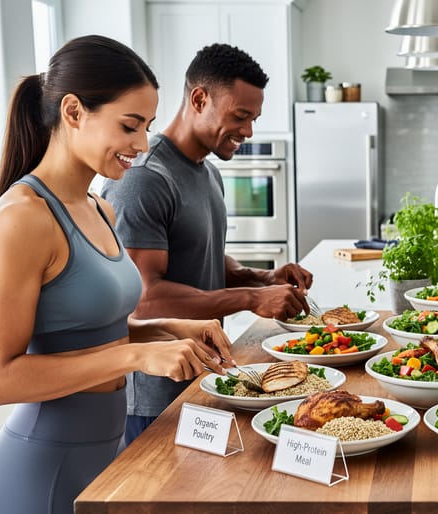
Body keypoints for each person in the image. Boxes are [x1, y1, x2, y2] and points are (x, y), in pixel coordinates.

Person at [0, 35, 232, 514]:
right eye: (130, 126)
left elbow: (81, 330)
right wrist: (135, 358)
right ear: (73, 112)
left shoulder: (99, 208)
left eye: (146, 126)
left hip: (105, 458)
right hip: (45, 470)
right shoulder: (22, 217)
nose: (142, 144)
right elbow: (2, 377)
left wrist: (163, 329)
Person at [101, 43, 314, 444]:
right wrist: (252, 300)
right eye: (240, 116)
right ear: (199, 99)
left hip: (203, 376)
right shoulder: (145, 178)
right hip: (152, 397)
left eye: (254, 118)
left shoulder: (208, 173)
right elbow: (145, 297)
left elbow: (202, 260)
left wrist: (261, 278)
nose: (248, 131)